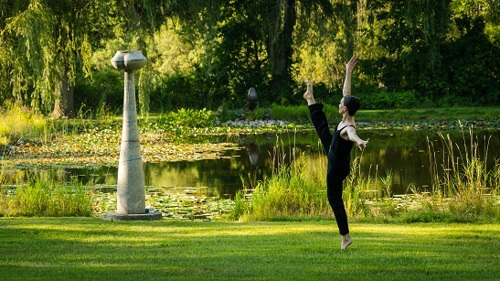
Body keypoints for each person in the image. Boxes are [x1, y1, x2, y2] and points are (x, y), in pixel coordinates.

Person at [303, 55, 368, 250]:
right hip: (335, 152)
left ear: (345, 109)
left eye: (341, 104)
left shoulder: (349, 126)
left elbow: (351, 133)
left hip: (337, 167)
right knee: (323, 131)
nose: (339, 104)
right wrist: (348, 70)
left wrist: (359, 141)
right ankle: (310, 100)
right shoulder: (348, 113)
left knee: (334, 200)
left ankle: (345, 237)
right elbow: (346, 92)